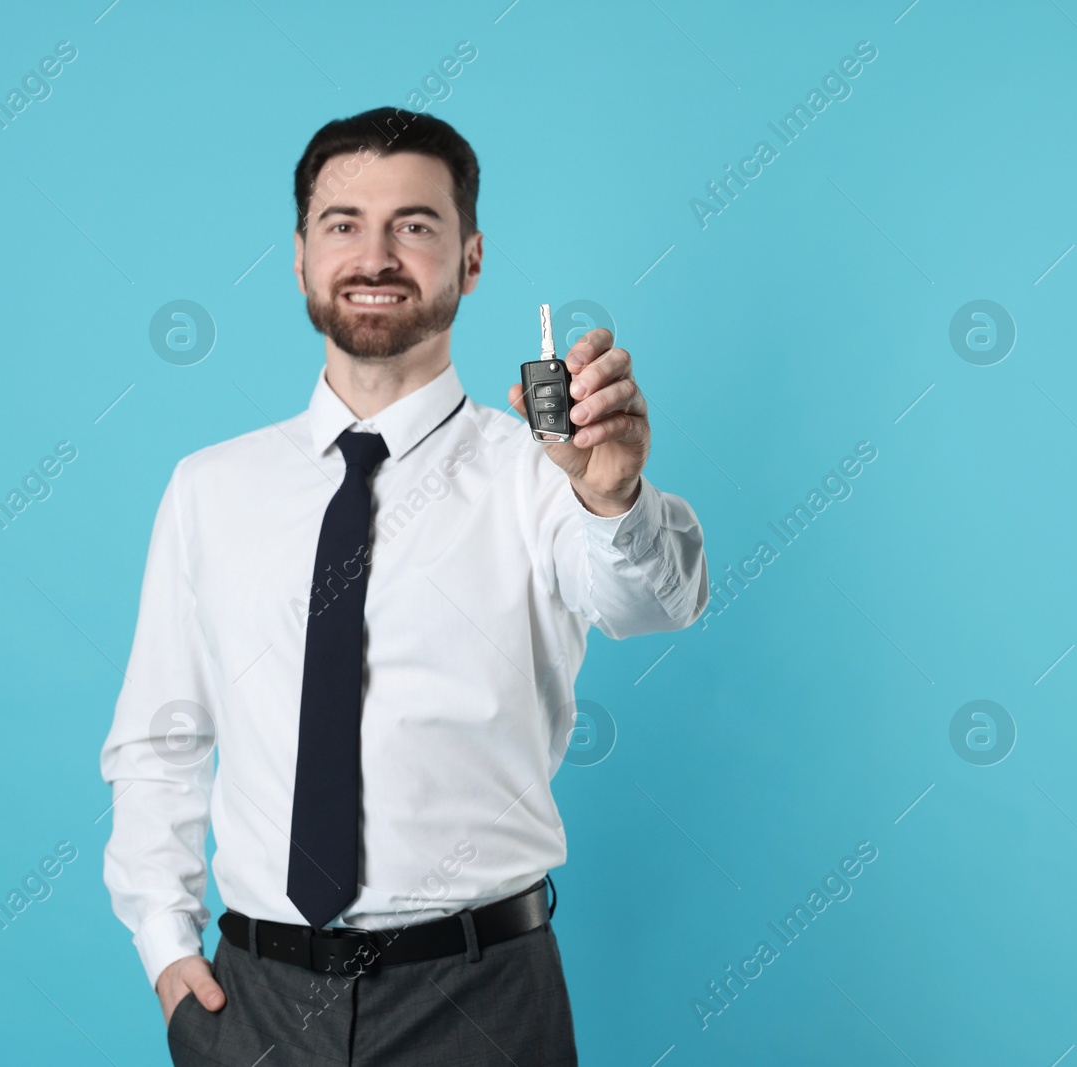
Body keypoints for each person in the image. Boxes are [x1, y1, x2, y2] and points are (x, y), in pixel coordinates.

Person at [99, 106, 709, 1066]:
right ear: (299, 257)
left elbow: (654, 601)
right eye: (343, 224)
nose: (375, 255)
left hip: (480, 1001)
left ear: (469, 260)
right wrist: (167, 947)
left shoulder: (540, 475)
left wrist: (616, 494)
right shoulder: (208, 489)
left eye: (414, 226)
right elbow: (161, 738)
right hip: (252, 1005)